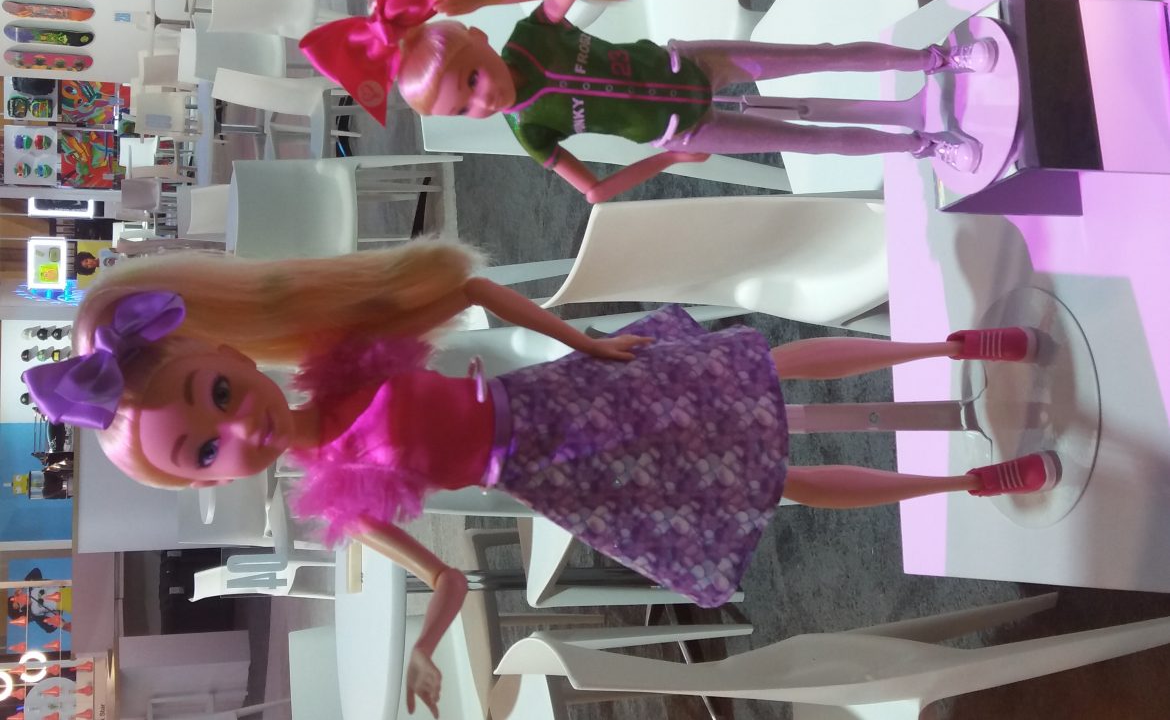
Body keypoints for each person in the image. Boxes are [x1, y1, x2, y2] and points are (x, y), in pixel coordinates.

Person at [23, 245, 1057, 718]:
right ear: (204, 483)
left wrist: (583, 339)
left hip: (566, 397)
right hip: (560, 475)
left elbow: (469, 287)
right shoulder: (334, 486)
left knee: (762, 371)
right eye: (205, 450)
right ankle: (971, 485)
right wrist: (424, 651)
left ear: (223, 350)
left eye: (213, 392)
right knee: (771, 481)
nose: (234, 425)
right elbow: (448, 579)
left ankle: (949, 346)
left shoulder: (340, 355)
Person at [301, 0, 993, 208]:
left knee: (818, 56)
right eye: (466, 107)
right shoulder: (529, 130)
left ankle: (934, 59)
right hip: (684, 130)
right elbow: (595, 191)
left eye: (473, 79)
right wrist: (670, 161)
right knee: (807, 140)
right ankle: (924, 144)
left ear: (480, 41)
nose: (485, 99)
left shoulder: (529, 38)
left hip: (691, 64)